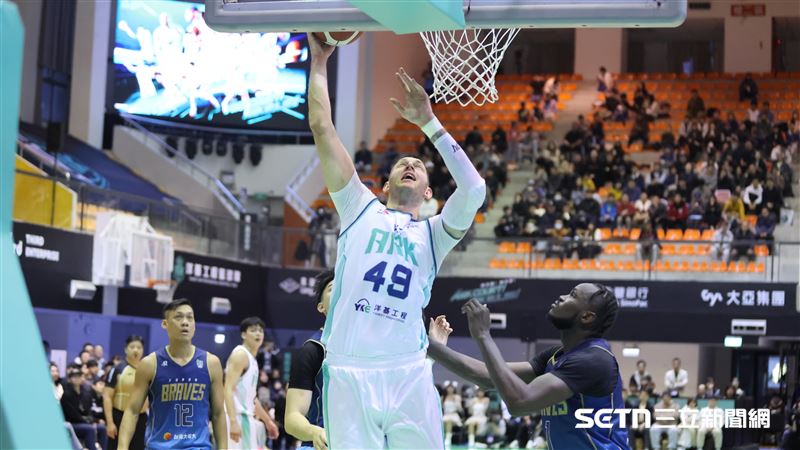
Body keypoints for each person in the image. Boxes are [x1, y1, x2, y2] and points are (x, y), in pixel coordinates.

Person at [306, 34, 486, 449]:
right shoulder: (358, 207)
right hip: (348, 368)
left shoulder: (434, 235)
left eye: (418, 166)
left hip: (408, 369)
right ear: (384, 185)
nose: (409, 164)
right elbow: (321, 127)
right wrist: (319, 63)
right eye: (401, 163)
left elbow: (474, 189)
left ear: (428, 192)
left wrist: (429, 123)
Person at [428, 283, 630, 449]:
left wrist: (483, 335)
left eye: (572, 295)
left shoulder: (593, 360)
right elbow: (486, 376)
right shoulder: (555, 356)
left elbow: (519, 402)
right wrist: (430, 346)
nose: (562, 297)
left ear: (586, 317)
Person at [116, 299, 227, 450]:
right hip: (160, 446)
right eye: (178, 317)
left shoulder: (211, 363)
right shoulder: (150, 364)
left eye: (190, 318)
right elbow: (132, 411)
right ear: (165, 324)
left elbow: (218, 413)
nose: (185, 322)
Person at [285, 270, 333, 450]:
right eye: (332, 288)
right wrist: (314, 432)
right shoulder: (313, 350)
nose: (339, 291)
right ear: (321, 307)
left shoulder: (369, 350)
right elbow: (292, 417)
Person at [225, 317, 280, 449]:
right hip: (236, 417)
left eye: (260, 331)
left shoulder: (253, 360)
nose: (258, 334)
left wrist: (268, 421)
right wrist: (233, 421)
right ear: (243, 334)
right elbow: (227, 388)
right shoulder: (240, 355)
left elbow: (252, 399)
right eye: (253, 330)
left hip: (246, 418)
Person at [104, 335, 148, 450]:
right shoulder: (117, 369)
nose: (136, 350)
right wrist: (110, 423)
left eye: (139, 347)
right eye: (132, 347)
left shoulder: (148, 370)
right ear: (125, 349)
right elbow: (107, 396)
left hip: (140, 419)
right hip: (119, 417)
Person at [62, 366, 108, 450]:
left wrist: (94, 420)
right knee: (89, 429)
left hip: (85, 421)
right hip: (73, 423)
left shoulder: (86, 392)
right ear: (70, 379)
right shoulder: (66, 394)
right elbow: (72, 415)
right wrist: (89, 421)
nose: (77, 379)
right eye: (74, 377)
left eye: (79, 376)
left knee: (102, 428)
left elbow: (89, 410)